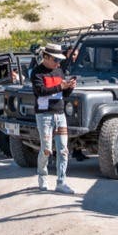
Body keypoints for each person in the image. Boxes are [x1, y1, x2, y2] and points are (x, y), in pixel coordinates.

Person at [31, 42, 77, 194]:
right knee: (46, 149)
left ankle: (61, 182)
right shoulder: (37, 72)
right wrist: (61, 87)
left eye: (59, 60)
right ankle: (42, 176)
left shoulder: (59, 71)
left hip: (60, 114)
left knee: (63, 150)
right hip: (44, 115)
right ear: (46, 57)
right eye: (56, 60)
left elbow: (63, 94)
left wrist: (69, 87)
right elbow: (41, 91)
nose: (58, 63)